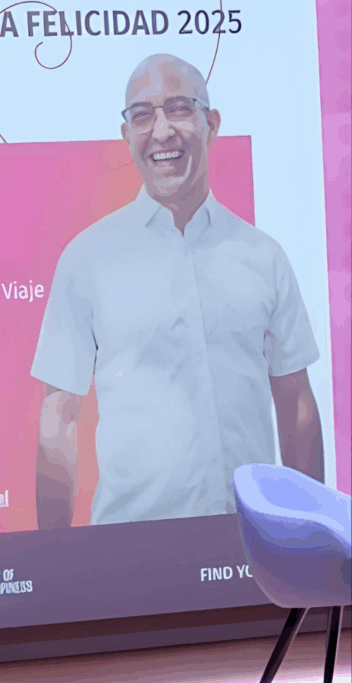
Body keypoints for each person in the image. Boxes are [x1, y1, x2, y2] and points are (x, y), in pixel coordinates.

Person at [31, 54, 324, 529]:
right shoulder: (87, 259)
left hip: (255, 542)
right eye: (142, 115)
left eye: (179, 108)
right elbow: (59, 414)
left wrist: (311, 534)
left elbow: (295, 401)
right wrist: (49, 560)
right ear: (126, 137)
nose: (162, 130)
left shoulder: (264, 256)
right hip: (131, 547)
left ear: (211, 124)